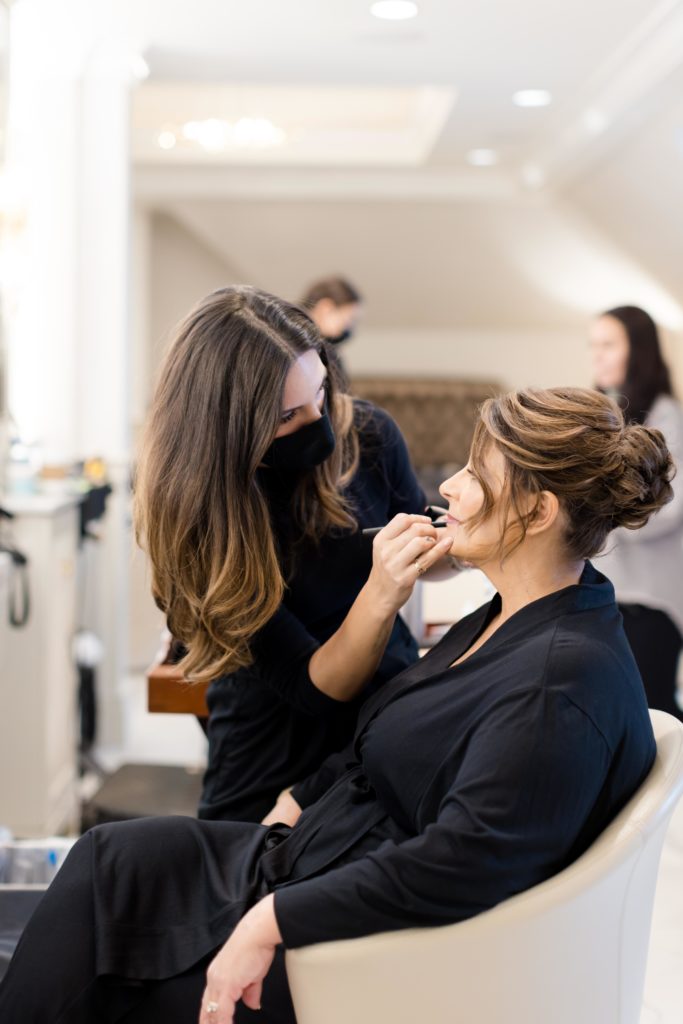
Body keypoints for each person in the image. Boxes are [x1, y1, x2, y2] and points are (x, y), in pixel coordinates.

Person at [0, 386, 670, 1024]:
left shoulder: (559, 685)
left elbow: (462, 861)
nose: (447, 489)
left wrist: (271, 919)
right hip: (307, 856)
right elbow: (384, 735)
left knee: (97, 965)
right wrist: (298, 798)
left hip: (354, 946)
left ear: (537, 511)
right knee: (105, 863)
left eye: (472, 473)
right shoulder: (508, 613)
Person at [134, 286, 449, 824]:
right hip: (271, 751)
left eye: (321, 393)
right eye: (287, 417)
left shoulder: (367, 433)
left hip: (383, 726)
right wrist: (380, 588)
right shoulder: (204, 520)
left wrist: (457, 547)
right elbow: (316, 685)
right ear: (227, 430)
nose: (320, 424)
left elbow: (423, 543)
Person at [589, 305, 683, 719]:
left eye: (608, 345)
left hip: (653, 600)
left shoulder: (666, 418)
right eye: (593, 345)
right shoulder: (605, 413)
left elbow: (667, 510)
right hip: (613, 591)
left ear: (638, 351)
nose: (597, 355)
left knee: (653, 712)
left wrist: (598, 509)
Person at [300, 275, 362, 386]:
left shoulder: (326, 347)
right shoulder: (295, 344)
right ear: (326, 308)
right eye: (348, 319)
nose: (348, 328)